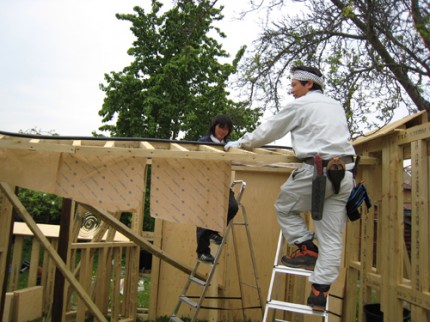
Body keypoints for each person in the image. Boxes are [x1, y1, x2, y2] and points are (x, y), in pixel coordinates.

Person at [225, 66, 355, 311]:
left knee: (284, 206)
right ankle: (319, 291)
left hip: (318, 172)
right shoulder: (335, 105)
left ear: (309, 85)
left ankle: (307, 249)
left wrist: (241, 143)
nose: (291, 90)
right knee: (332, 238)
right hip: (344, 173)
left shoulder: (302, 105)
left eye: (295, 84)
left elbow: (270, 129)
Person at [196, 115, 239, 264]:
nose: (223, 131)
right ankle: (202, 252)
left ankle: (214, 232)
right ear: (214, 126)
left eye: (226, 129)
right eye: (221, 127)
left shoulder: (229, 145)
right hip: (204, 184)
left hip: (221, 183)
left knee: (232, 206)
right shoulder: (202, 142)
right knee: (204, 216)